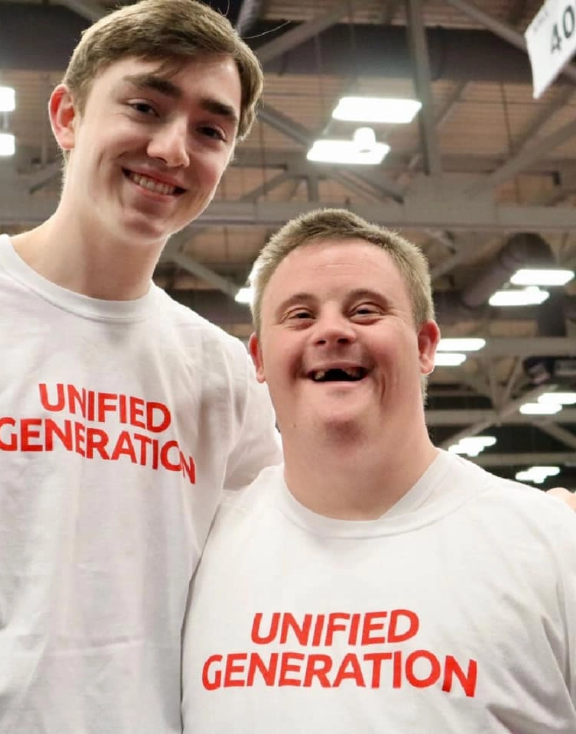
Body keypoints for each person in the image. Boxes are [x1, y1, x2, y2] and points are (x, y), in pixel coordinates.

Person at [0, 1, 281, 731]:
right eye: (145, 106)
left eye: (211, 130)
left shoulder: (222, 374)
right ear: (68, 116)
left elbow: (277, 577)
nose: (174, 149)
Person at [182, 209, 576, 733]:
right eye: (299, 316)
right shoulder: (200, 549)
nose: (332, 331)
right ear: (257, 357)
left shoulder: (550, 547)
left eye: (365, 310)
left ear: (425, 345)